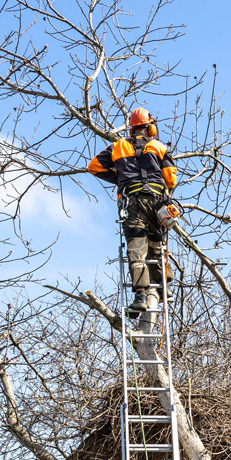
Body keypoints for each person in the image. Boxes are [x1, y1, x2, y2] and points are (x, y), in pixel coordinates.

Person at [87, 107, 179, 314]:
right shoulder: (160, 147)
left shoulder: (117, 146)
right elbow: (171, 179)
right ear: (150, 127)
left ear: (132, 128)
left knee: (137, 250)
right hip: (156, 203)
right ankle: (165, 288)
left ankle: (140, 296)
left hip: (132, 203)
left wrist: (120, 178)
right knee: (157, 245)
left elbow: (93, 167)